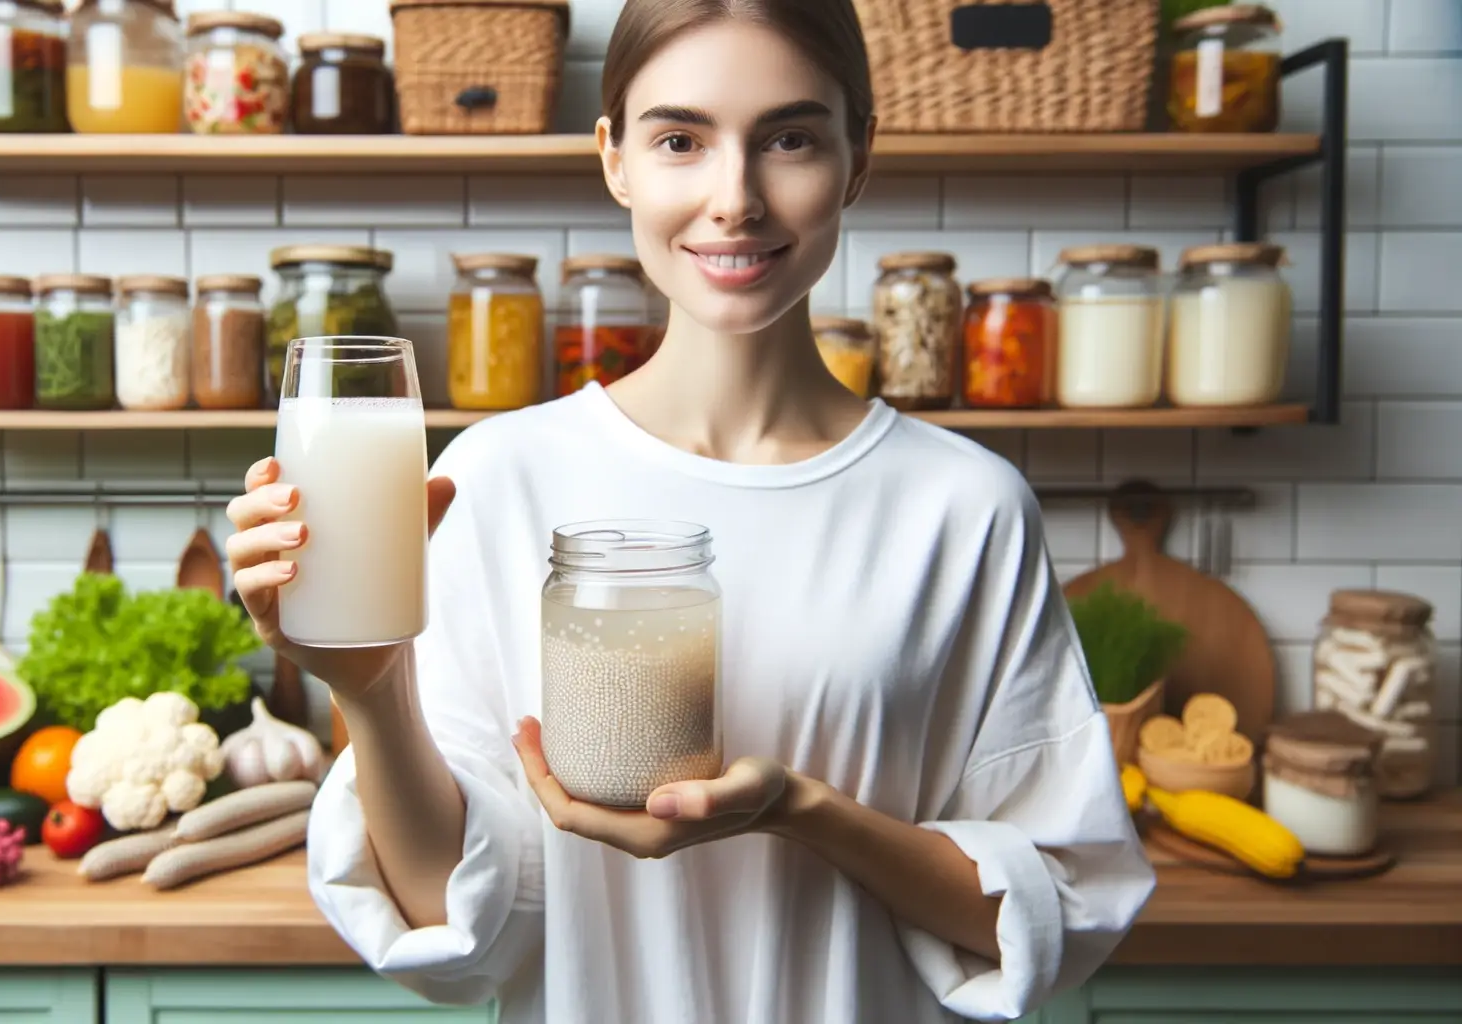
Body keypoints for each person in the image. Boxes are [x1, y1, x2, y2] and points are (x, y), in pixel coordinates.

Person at [225, 0, 1157, 1020]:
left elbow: (1054, 910)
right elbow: (453, 922)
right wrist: (369, 687)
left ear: (857, 158)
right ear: (615, 158)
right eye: (679, 139)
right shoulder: (495, 478)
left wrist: (803, 812)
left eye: (789, 138)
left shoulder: (964, 507)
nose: (735, 199)